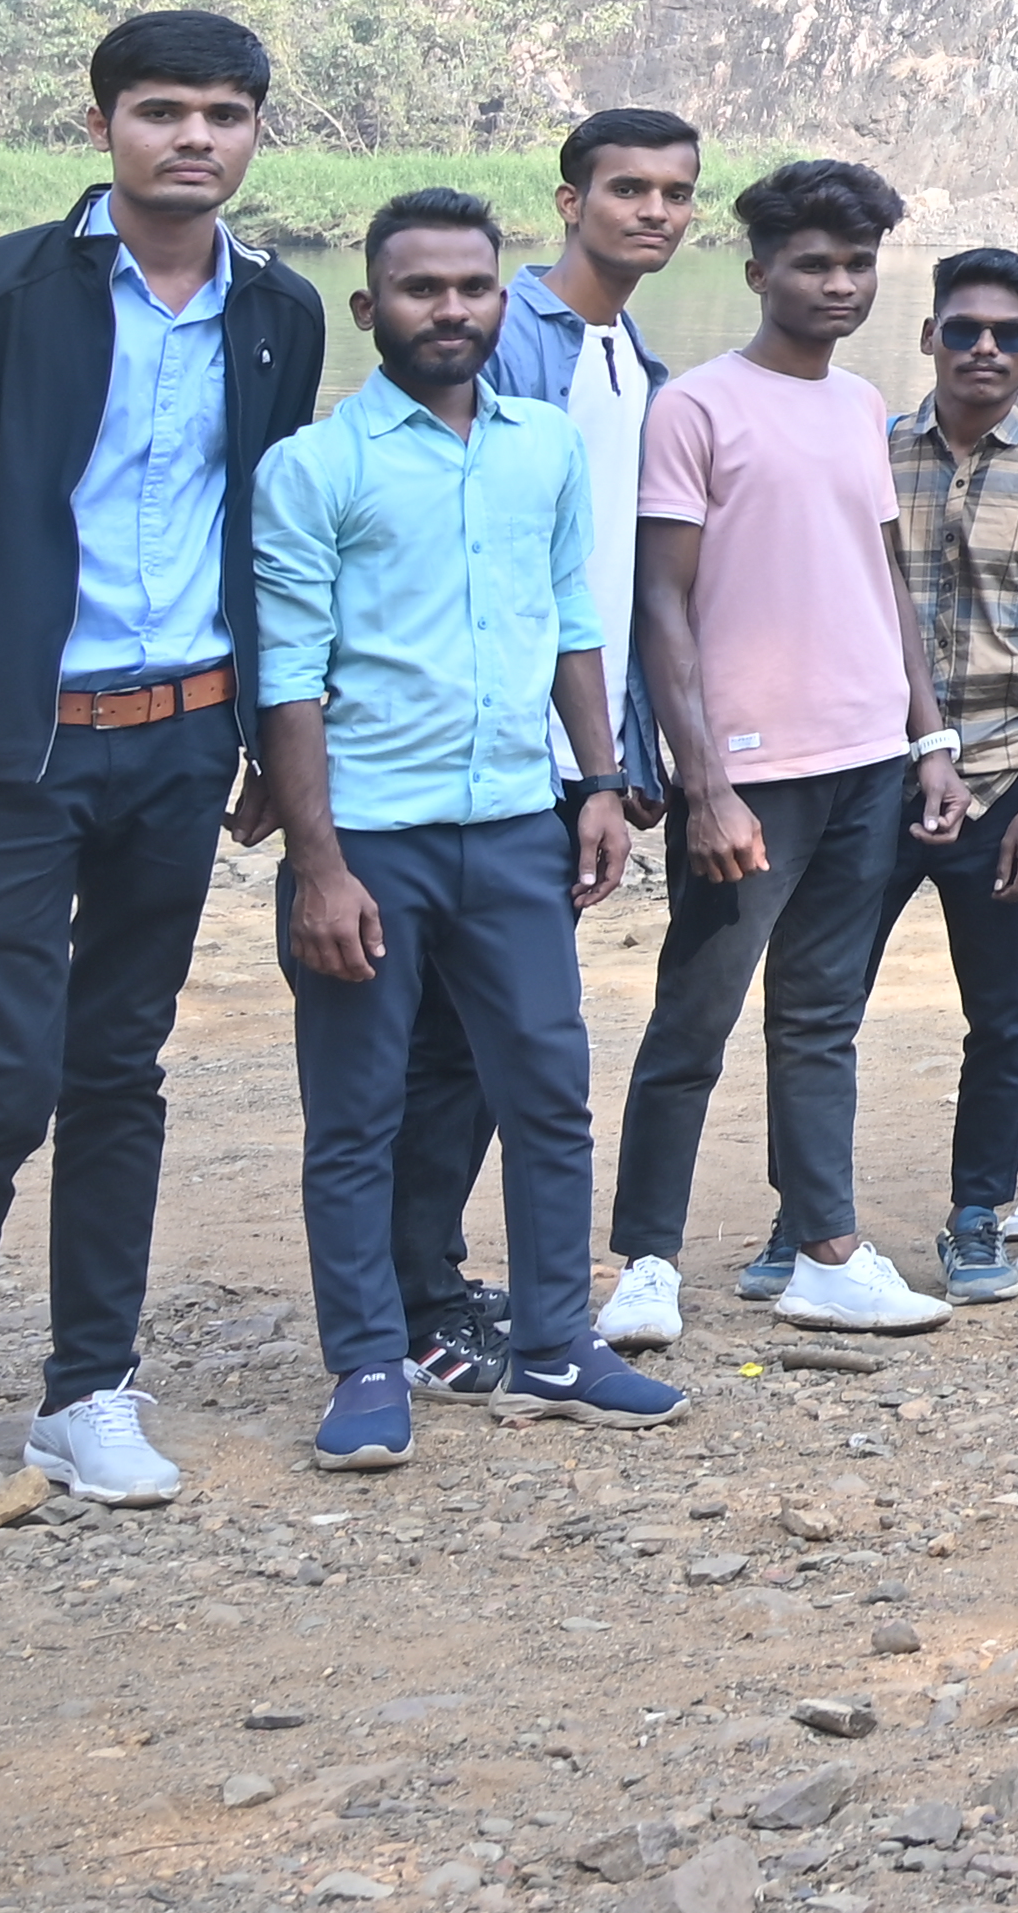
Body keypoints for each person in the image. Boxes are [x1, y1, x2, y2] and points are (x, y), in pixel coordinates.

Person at [0, 15, 336, 1555]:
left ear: (257, 133)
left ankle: (86, 1391)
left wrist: (263, 731)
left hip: (181, 743)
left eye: (226, 114)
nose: (195, 137)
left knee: (123, 1068)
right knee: (1, 1082)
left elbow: (265, 532)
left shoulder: (279, 311)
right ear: (103, 122)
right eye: (162, 110)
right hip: (17, 751)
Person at [256, 191, 668, 1467]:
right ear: (368, 306)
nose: (452, 309)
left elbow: (573, 623)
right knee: (358, 1112)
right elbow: (289, 675)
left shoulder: (542, 446)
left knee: (549, 1092)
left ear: (504, 299)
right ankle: (368, 1363)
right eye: (423, 289)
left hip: (513, 829)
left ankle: (554, 1344)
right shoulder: (317, 465)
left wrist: (598, 783)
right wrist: (315, 864)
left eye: (473, 287)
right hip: (371, 839)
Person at [605, 159, 960, 1349]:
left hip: (867, 758)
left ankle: (825, 1250)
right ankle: (645, 1260)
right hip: (751, 771)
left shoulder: (862, 406)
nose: (838, 283)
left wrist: (931, 738)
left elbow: (888, 581)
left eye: (857, 263)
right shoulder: (696, 406)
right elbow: (662, 601)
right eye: (812, 262)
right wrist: (701, 779)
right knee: (693, 1017)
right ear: (756, 271)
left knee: (820, 1014)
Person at [398, 105, 691, 1391]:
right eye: (627, 189)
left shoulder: (638, 359)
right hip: (473, 761)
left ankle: (437, 1281)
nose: (654, 212)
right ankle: (410, 1297)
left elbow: (609, 580)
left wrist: (615, 770)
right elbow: (467, 543)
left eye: (677, 193)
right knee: (435, 1041)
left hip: (570, 755)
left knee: (485, 1040)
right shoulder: (505, 334)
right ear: (568, 200)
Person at [874, 248, 1018, 1299]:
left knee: (1005, 1011)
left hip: (1009, 775)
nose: (984, 349)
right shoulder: (870, 456)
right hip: (872, 774)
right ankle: (804, 1218)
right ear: (927, 336)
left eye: (1009, 334)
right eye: (963, 328)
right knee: (820, 997)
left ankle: (976, 1214)